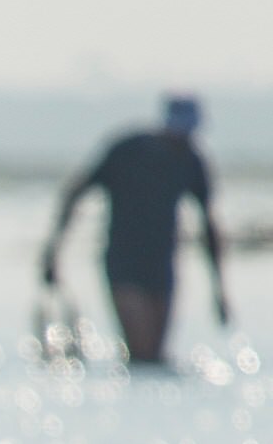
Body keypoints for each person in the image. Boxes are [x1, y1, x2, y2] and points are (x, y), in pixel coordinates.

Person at [39, 94, 228, 363]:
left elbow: (209, 226)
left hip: (162, 263)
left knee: (155, 356)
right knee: (141, 352)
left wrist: (219, 290)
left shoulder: (191, 161)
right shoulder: (127, 151)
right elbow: (76, 192)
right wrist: (53, 251)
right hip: (124, 263)